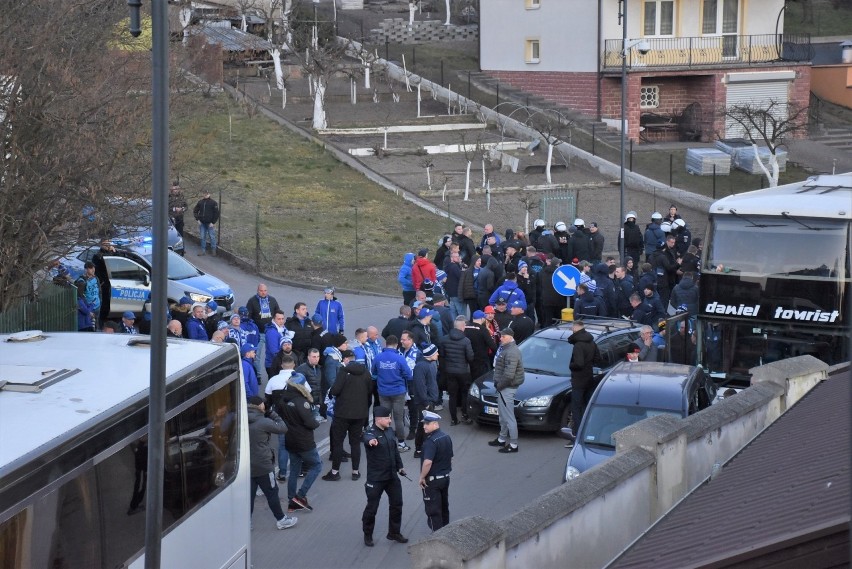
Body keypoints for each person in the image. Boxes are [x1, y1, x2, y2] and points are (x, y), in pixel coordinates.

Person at [247, 396, 298, 531]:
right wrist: (273, 414)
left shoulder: (241, 420)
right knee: (272, 493)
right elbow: (282, 428)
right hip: (263, 464)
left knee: (249, 495)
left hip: (247, 465)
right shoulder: (263, 422)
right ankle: (281, 519)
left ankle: (247, 523)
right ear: (259, 406)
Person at [361, 405, 408, 547]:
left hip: (392, 476)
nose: (390, 420)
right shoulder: (370, 433)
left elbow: (395, 451)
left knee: (397, 504)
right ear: (378, 419)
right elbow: (367, 438)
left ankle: (394, 532)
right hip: (376, 479)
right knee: (372, 508)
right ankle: (367, 534)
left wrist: (400, 467)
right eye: (388, 418)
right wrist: (371, 441)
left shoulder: (390, 432)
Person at [324, 350, 372, 482]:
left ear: (346, 360)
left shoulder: (343, 372)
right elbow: (369, 393)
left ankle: (335, 472)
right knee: (355, 443)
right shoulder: (366, 373)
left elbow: (335, 390)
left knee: (338, 443)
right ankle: (355, 472)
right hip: (360, 414)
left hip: (342, 414)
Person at [277, 373, 322, 513]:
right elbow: (309, 422)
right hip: (304, 441)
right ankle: (300, 496)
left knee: (295, 470)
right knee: (317, 465)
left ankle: (291, 502)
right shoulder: (301, 402)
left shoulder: (283, 399)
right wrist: (316, 422)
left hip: (289, 439)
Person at [372, 335, 413, 452]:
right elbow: (409, 375)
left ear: (386, 344)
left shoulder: (378, 357)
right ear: (396, 345)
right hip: (398, 392)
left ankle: (385, 442)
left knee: (384, 417)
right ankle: (401, 443)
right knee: (398, 419)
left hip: (383, 392)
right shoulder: (400, 358)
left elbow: (373, 372)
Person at [488, 328, 525, 453]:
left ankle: (513, 445)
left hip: (507, 387)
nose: (501, 338)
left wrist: (499, 385)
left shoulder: (511, 352)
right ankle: (502, 438)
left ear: (510, 337)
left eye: (503, 336)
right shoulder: (506, 348)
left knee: (509, 417)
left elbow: (509, 375)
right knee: (503, 416)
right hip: (503, 386)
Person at [418, 410, 453, 531]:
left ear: (435, 424)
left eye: (427, 424)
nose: (424, 426)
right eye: (424, 424)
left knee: (433, 511)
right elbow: (450, 457)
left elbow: (427, 462)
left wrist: (422, 477)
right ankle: (447, 534)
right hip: (445, 478)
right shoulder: (446, 437)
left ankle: (437, 539)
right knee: (444, 508)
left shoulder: (430, 441)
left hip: (432, 482)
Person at [567, 320, 601, 438]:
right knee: (586, 407)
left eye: (572, 329)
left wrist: (571, 365)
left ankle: (577, 435)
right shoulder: (592, 342)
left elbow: (578, 364)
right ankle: (588, 431)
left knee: (576, 408)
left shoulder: (578, 345)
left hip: (578, 380)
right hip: (589, 378)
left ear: (575, 329)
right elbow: (598, 358)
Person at [439, 316, 474, 426]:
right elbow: (470, 357)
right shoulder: (466, 340)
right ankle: (465, 415)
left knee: (452, 395)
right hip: (463, 371)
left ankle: (454, 419)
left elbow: (442, 355)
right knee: (464, 393)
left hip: (449, 371)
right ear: (463, 327)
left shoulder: (444, 339)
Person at [193, 189, 219, 256]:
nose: (205, 195)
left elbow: (216, 213)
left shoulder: (213, 203)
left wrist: (213, 222)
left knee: (212, 236)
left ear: (209, 194)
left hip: (210, 223)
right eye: (204, 194)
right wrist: (197, 219)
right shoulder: (200, 202)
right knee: (202, 237)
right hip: (202, 223)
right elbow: (195, 211)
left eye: (207, 194)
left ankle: (213, 250)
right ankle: (203, 250)